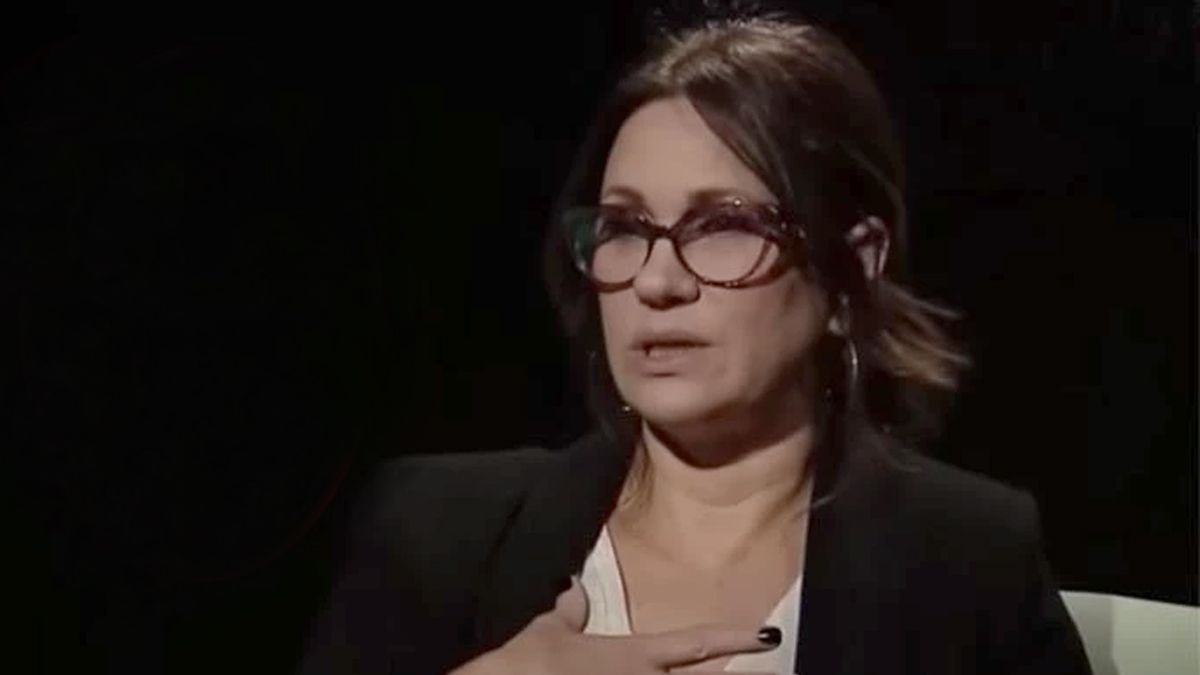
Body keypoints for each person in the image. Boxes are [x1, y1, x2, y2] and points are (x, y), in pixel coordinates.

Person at [297, 13, 1092, 675]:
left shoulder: (967, 561)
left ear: (851, 270)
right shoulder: (438, 533)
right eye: (624, 227)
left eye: (723, 225)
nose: (656, 281)